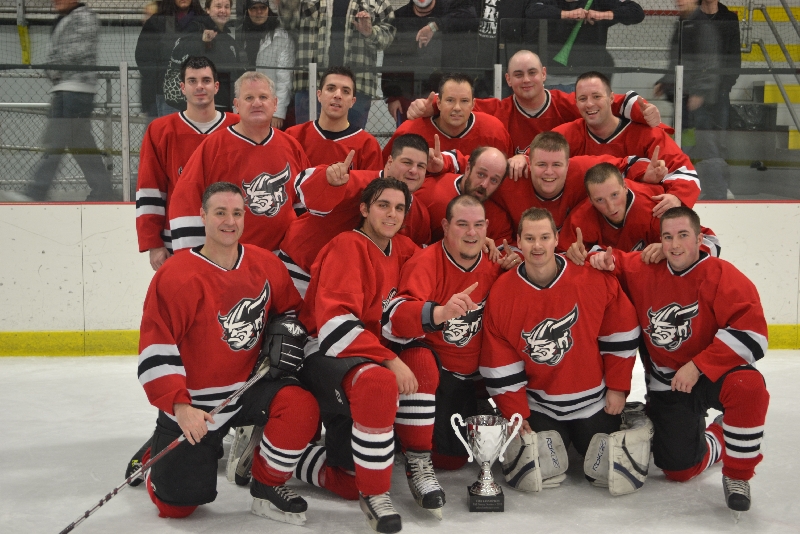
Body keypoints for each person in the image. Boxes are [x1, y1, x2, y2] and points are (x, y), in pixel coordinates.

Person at [137, 181, 319, 524]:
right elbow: (155, 347)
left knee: (300, 406)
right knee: (177, 507)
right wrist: (180, 407)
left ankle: (267, 486)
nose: (230, 221)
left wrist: (288, 333)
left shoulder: (265, 264)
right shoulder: (176, 276)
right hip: (196, 406)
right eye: (220, 212)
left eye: (237, 213)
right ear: (203, 215)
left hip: (249, 388)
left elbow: (292, 312)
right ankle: (156, 458)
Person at [589, 206, 770, 516]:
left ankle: (738, 475)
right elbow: (610, 259)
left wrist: (698, 366)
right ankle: (720, 436)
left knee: (747, 386)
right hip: (668, 383)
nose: (674, 245)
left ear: (700, 239)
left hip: (713, 375)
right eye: (668, 237)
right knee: (679, 470)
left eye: (683, 235)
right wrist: (598, 259)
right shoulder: (643, 268)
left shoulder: (722, 274)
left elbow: (753, 335)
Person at [295, 177, 424, 533]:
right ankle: (374, 493)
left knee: (423, 361)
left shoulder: (403, 248)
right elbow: (334, 326)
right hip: (325, 351)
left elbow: (443, 262)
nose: (392, 214)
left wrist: (492, 251)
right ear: (365, 209)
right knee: (379, 383)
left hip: (364, 355)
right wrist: (389, 359)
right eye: (383, 205)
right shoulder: (347, 246)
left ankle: (416, 459)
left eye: (399, 208)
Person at [480, 207, 641, 487]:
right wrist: (516, 411)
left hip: (593, 402)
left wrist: (617, 387)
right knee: (541, 474)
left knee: (604, 473)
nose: (537, 246)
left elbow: (620, 332)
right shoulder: (502, 292)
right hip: (540, 405)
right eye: (530, 238)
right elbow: (499, 360)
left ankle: (632, 418)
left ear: (556, 239)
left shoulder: (591, 277)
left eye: (544, 237)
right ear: (518, 242)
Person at [383, 194, 515, 470]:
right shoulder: (425, 263)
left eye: (478, 225)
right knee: (448, 460)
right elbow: (395, 320)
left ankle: (481, 404)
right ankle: (406, 432)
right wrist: (439, 313)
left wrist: (518, 268)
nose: (471, 233)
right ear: (445, 226)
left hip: (480, 374)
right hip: (440, 375)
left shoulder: (497, 263)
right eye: (462, 224)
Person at [405, 50, 663, 174]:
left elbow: (604, 100)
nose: (526, 80)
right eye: (518, 74)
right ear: (508, 79)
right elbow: (458, 103)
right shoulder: (497, 110)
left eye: (532, 73)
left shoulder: (569, 103)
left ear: (544, 74)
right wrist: (428, 105)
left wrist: (642, 110)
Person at [169, 71, 310, 253]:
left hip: (282, 258)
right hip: (230, 259)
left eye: (263, 97)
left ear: (275, 104)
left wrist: (296, 250)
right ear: (236, 105)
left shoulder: (291, 146)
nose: (257, 103)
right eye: (249, 98)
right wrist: (194, 257)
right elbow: (185, 201)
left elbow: (304, 204)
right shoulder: (214, 147)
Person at [280, 133, 437, 296]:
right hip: (301, 270)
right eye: (407, 162)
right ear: (389, 162)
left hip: (353, 284)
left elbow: (417, 259)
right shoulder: (352, 182)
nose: (413, 171)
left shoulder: (419, 214)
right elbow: (304, 189)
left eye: (421, 166)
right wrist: (327, 180)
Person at [135, 56, 239, 271]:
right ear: (182, 87)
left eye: (206, 80)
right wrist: (153, 243)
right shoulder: (160, 131)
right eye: (192, 81)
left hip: (231, 237)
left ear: (216, 86)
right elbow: (150, 190)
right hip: (177, 239)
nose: (200, 86)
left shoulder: (237, 127)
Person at [491, 131, 696, 238]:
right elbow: (479, 189)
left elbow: (627, 164)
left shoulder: (583, 168)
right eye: (541, 165)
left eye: (557, 165)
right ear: (529, 163)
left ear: (568, 164)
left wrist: (645, 175)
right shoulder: (511, 180)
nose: (549, 172)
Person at [553, 71, 699, 216]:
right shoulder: (564, 136)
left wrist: (676, 197)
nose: (590, 104)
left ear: (611, 98)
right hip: (586, 222)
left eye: (596, 96)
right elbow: (540, 165)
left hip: (638, 222)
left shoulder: (648, 134)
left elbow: (684, 171)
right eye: (582, 99)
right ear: (576, 103)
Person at [12, 0, 114, 202]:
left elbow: (75, 52)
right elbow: (58, 53)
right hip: (65, 89)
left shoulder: (85, 17)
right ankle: (104, 190)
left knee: (57, 142)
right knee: (80, 144)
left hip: (76, 90)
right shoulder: (65, 19)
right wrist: (54, 70)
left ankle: (36, 192)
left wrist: (53, 69)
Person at [655, 0, 741, 200]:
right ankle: (683, 187)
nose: (679, 1)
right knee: (684, 144)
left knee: (706, 145)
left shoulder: (702, 25)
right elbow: (676, 60)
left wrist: (700, 92)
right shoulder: (683, 23)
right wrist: (665, 81)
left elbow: (709, 61)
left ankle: (717, 192)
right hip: (684, 99)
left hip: (701, 103)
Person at [559, 163, 720, 264]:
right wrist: (573, 257)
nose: (611, 206)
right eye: (600, 200)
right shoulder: (580, 219)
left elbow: (711, 243)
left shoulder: (655, 207)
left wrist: (669, 249)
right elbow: (559, 260)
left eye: (615, 195)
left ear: (625, 187)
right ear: (590, 200)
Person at [278, 0, 396, 129]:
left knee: (351, 139)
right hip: (310, 85)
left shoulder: (377, 2)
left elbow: (388, 36)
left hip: (357, 88)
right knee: (308, 137)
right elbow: (288, 23)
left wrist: (369, 32)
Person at [381, 0, 478, 123]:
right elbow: (391, 59)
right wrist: (392, 96)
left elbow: (470, 15)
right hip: (409, 97)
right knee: (410, 134)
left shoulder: (449, 8)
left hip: (445, 97)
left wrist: (434, 26)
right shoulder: (400, 16)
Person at [383, 73, 514, 162]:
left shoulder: (494, 131)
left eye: (464, 101)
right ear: (438, 103)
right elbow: (386, 172)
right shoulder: (409, 131)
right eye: (450, 100)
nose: (457, 107)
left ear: (473, 104)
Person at [526, 0, 644, 90]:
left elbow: (636, 12)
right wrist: (567, 14)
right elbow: (532, 10)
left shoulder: (597, 2)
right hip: (549, 78)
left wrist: (602, 15)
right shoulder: (551, 2)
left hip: (588, 80)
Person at [285, 66, 382, 169]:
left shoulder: (368, 145)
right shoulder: (293, 136)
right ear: (319, 95)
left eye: (345, 91)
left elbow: (374, 179)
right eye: (331, 89)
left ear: (352, 101)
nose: (337, 95)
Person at [415, 146, 514, 243]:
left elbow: (508, 250)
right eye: (481, 174)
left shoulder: (498, 221)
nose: (484, 184)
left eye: (494, 180)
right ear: (468, 168)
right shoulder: (429, 193)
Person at [163, 0, 246, 112]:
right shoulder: (194, 31)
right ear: (207, 9)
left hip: (224, 107)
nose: (223, 10)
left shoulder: (229, 40)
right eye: (218, 6)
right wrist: (201, 43)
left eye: (227, 7)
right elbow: (183, 64)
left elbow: (235, 74)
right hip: (198, 108)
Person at [135, 0, 206, 118]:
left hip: (198, 92)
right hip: (166, 95)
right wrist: (161, 80)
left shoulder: (204, 22)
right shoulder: (157, 22)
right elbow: (143, 56)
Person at [240, 0, 296, 129]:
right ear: (247, 11)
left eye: (262, 8)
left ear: (268, 9)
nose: (259, 12)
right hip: (246, 104)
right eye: (254, 8)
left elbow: (285, 79)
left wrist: (278, 112)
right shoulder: (240, 33)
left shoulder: (281, 37)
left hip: (270, 106)